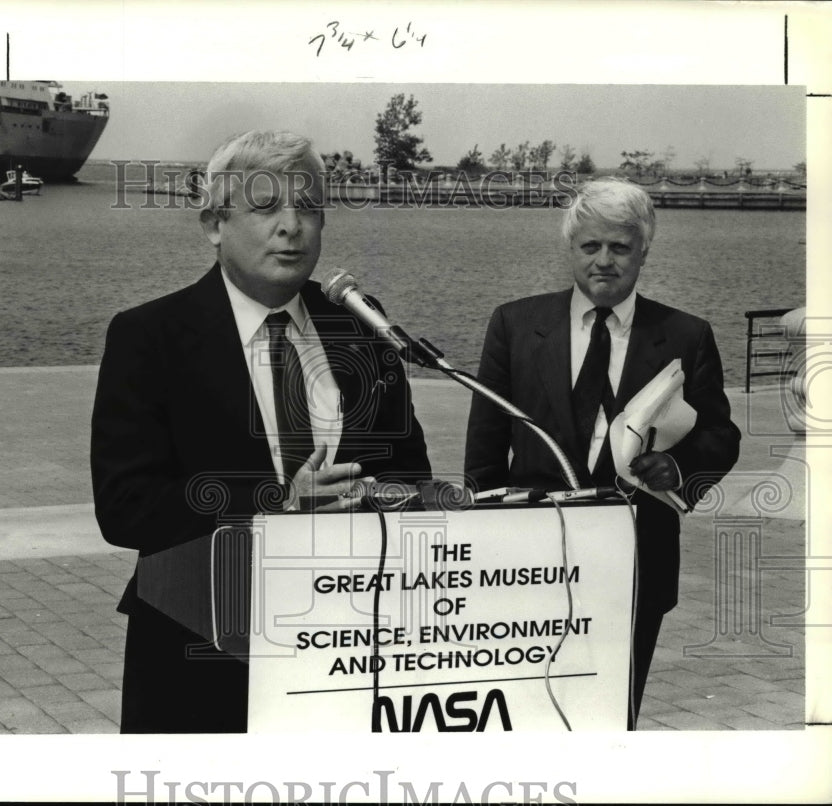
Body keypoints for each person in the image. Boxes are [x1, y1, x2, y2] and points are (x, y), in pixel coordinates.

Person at [91, 130, 431, 733]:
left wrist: (378, 500)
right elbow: (126, 508)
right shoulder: (150, 337)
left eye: (308, 209)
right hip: (201, 640)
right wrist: (278, 503)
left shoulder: (359, 327)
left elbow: (410, 472)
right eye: (267, 207)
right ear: (214, 224)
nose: (292, 227)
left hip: (346, 643)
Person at [464, 177, 740, 728]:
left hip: (637, 557)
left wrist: (679, 469)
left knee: (613, 713)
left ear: (644, 252)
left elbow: (721, 434)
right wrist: (483, 546)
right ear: (570, 248)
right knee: (521, 709)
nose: (605, 262)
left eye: (620, 248)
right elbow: (485, 446)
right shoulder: (515, 324)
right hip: (530, 557)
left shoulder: (687, 334)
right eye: (591, 246)